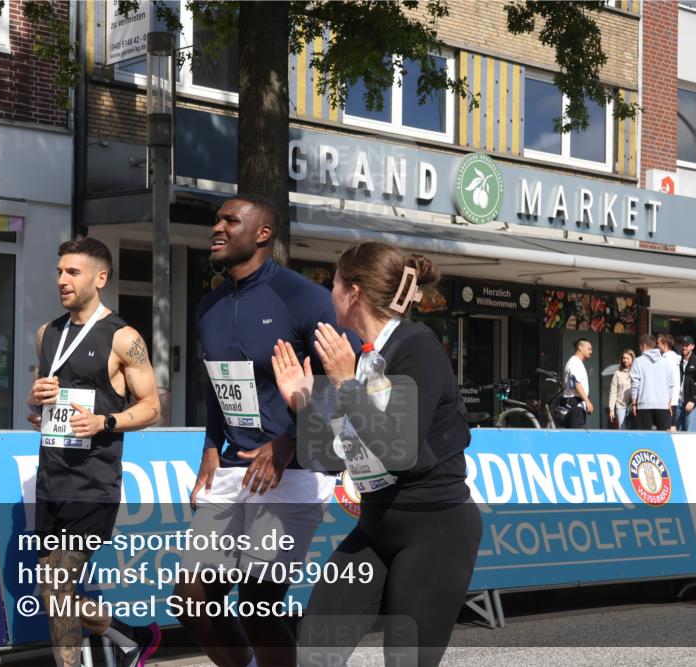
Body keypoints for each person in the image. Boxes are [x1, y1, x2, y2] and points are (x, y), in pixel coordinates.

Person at [272, 241, 481, 667]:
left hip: (434, 531)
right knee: (314, 648)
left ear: (354, 293)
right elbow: (330, 458)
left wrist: (347, 385)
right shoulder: (361, 358)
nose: (327, 292)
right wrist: (303, 403)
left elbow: (396, 450)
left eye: (332, 282)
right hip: (375, 528)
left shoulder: (417, 347)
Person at [174, 194, 341, 667]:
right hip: (233, 468)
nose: (217, 228)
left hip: (296, 469)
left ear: (263, 233)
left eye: (231, 220)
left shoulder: (305, 297)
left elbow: (344, 380)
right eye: (216, 220)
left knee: (258, 603)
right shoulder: (209, 304)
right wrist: (210, 446)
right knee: (191, 599)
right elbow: (214, 384)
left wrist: (290, 442)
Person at [26, 238, 162, 667]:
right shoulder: (47, 333)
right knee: (50, 591)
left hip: (94, 483)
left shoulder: (123, 337)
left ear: (100, 278)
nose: (62, 280)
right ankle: (127, 633)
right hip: (52, 479)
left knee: (56, 586)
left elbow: (152, 407)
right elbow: (40, 407)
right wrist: (37, 403)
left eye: (73, 272)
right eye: (60, 272)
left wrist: (104, 421)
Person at [629, 334, 676, 431]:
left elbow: (635, 384)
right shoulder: (665, 362)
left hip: (644, 405)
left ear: (644, 346)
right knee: (663, 438)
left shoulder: (638, 361)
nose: (640, 349)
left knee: (644, 438)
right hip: (662, 405)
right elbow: (671, 384)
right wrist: (669, 403)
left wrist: (634, 403)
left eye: (640, 346)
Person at [676, 335, 696, 432]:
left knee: (691, 433)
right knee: (678, 433)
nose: (684, 347)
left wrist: (693, 401)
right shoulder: (677, 361)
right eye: (682, 345)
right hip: (679, 402)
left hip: (693, 403)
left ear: (692, 347)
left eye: (687, 345)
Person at [562, 338, 594, 428]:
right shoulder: (574, 362)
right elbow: (575, 383)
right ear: (580, 347)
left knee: (577, 435)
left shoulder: (577, 362)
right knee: (576, 436)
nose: (591, 351)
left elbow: (574, 383)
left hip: (576, 403)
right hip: (574, 403)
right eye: (589, 348)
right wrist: (587, 401)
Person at [657, 334, 681, 429]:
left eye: (658, 343)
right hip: (671, 398)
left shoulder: (667, 359)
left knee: (669, 426)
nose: (656, 345)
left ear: (665, 344)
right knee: (671, 424)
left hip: (668, 398)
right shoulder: (671, 357)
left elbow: (667, 379)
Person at [608, 349, 635, 429]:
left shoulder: (636, 372)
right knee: (622, 428)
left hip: (634, 405)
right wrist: (611, 409)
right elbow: (613, 392)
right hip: (621, 405)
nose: (625, 360)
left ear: (632, 359)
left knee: (634, 429)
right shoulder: (617, 374)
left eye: (627, 358)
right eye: (623, 358)